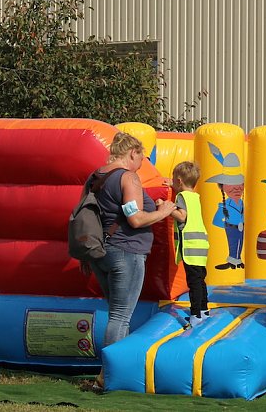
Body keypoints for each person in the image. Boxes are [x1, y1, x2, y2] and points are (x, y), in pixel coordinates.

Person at [85, 132, 176, 392]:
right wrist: (163, 212)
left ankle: (115, 373)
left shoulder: (97, 176)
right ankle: (108, 376)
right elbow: (135, 219)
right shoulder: (128, 177)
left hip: (100, 253)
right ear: (132, 153)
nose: (142, 163)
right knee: (120, 316)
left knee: (116, 313)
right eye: (142, 157)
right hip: (126, 252)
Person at [171, 161, 210, 326]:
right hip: (201, 245)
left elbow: (182, 216)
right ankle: (204, 310)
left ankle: (195, 315)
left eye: (173, 180)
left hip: (191, 245)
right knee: (200, 279)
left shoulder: (181, 197)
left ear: (179, 181)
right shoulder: (194, 196)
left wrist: (167, 209)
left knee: (193, 283)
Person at [206, 143, 245, 270]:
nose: (237, 188)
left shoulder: (241, 203)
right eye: (231, 184)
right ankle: (232, 261)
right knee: (233, 243)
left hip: (240, 226)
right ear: (222, 187)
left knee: (239, 243)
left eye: (239, 183)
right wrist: (225, 224)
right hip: (231, 226)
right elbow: (216, 222)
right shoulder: (224, 205)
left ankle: (237, 261)